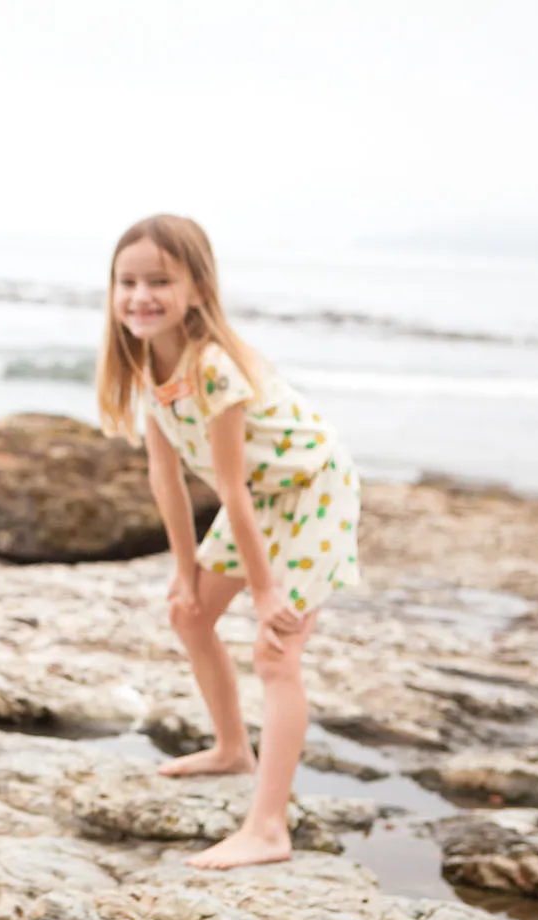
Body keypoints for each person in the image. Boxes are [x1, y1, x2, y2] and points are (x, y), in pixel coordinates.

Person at [96, 214, 361, 870]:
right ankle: (230, 748)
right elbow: (167, 478)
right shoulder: (146, 361)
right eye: (127, 282)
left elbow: (231, 489)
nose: (140, 295)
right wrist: (185, 573)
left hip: (312, 490)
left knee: (276, 651)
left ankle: (269, 827)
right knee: (188, 613)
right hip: (265, 499)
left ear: (196, 288)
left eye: (159, 280)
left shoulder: (213, 366)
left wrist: (267, 593)